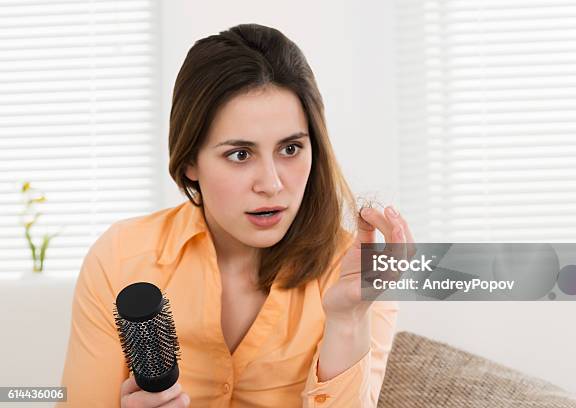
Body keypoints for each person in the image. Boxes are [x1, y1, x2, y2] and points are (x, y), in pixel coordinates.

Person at [57, 23, 411, 407]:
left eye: (290, 149)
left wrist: (348, 322)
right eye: (240, 155)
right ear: (191, 159)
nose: (272, 184)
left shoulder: (356, 274)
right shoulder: (121, 257)